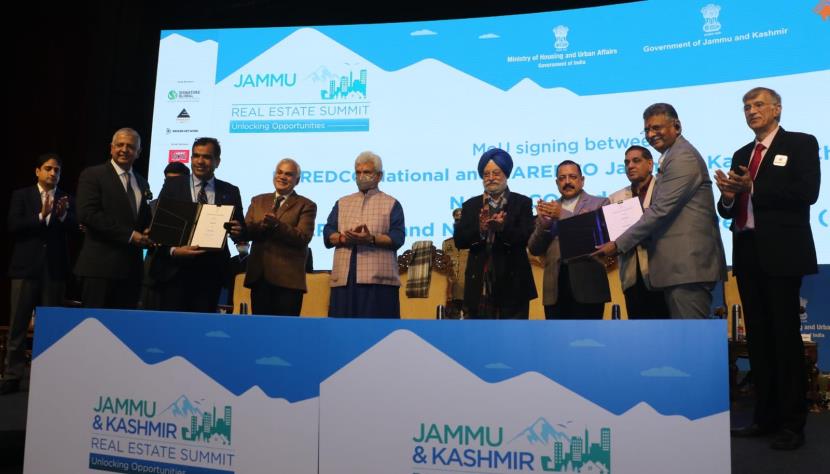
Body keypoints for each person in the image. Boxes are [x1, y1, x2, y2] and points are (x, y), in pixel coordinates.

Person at [716, 87, 819, 450]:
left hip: (783, 254)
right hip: (747, 254)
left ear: (777, 109)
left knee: (784, 340)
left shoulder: (801, 144)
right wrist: (728, 197)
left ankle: (792, 424)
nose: (751, 110)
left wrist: (754, 187)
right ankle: (765, 417)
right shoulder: (741, 154)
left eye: (758, 104)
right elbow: (728, 210)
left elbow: (807, 193)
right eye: (746, 106)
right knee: (758, 340)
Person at [595, 103, 726, 318]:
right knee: (683, 335)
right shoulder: (672, 157)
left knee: (691, 334)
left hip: (686, 267)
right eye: (647, 129)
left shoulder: (682, 157)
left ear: (677, 126)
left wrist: (617, 245)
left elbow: (660, 211)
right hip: (677, 269)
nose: (651, 134)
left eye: (657, 128)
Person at [2, 154, 75, 395]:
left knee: (50, 327)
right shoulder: (22, 195)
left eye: (57, 170)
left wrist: (62, 216)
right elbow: (14, 226)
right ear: (37, 171)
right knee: (18, 325)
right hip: (25, 269)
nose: (53, 173)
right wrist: (41, 216)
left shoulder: (66, 198)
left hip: (54, 270)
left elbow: (75, 228)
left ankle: (47, 375)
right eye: (48, 168)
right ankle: (12, 375)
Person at [151, 137, 244, 313]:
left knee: (202, 326)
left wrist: (238, 231)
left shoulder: (230, 191)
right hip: (175, 272)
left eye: (207, 157)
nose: (200, 161)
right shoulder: (172, 185)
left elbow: (240, 232)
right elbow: (161, 227)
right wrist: (174, 251)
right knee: (172, 325)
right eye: (196, 156)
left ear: (217, 161)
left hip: (211, 273)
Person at [74, 128, 153, 309]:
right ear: (111, 148)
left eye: (130, 146)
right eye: (120, 145)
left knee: (124, 326)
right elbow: (87, 214)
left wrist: (150, 230)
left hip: (131, 272)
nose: (124, 150)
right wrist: (131, 235)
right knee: (94, 325)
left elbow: (142, 219)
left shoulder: (142, 182)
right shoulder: (93, 175)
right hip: (99, 269)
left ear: (138, 152)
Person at [454, 148, 536, 319]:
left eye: (496, 173)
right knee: (479, 334)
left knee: (513, 334)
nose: (491, 178)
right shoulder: (471, 205)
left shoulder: (522, 202)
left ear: (506, 174)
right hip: (479, 283)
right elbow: (460, 241)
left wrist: (502, 228)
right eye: (486, 174)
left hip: (513, 284)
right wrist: (481, 229)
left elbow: (525, 237)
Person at [323, 151, 405, 318]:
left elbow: (397, 238)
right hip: (345, 281)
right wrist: (342, 238)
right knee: (342, 329)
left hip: (378, 283)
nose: (361, 176)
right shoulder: (342, 202)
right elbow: (328, 232)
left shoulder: (391, 203)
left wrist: (371, 239)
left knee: (376, 330)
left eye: (367, 172)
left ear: (379, 176)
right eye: (358, 172)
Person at [528, 160, 609, 319]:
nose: (567, 182)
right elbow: (534, 249)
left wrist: (562, 215)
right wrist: (544, 226)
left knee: (589, 335)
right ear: (556, 183)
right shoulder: (549, 208)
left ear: (582, 180)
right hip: (555, 288)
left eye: (572, 177)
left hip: (589, 285)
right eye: (562, 178)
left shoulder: (600, 203)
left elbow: (597, 240)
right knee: (555, 335)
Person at [244, 158, 317, 316]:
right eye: (279, 172)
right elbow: (247, 231)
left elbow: (303, 237)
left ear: (297, 180)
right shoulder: (258, 200)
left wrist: (277, 225)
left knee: (285, 329)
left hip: (288, 282)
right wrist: (247, 228)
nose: (282, 177)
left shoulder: (306, 205)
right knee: (260, 327)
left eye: (288, 174)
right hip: (259, 278)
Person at [608, 146, 670, 319]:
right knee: (638, 330)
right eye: (627, 162)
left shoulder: (665, 190)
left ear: (650, 164)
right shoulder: (615, 198)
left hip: (663, 272)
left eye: (636, 161)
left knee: (666, 328)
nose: (630, 166)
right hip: (631, 277)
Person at [140, 161, 190, 310]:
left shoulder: (195, 206)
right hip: (154, 271)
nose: (171, 185)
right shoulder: (152, 205)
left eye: (176, 181)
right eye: (168, 181)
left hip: (184, 272)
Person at [441, 208, 469, 317]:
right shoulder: (447, 243)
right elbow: (443, 267)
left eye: (461, 221)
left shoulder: (474, 242)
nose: (458, 224)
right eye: (456, 221)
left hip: (469, 290)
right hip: (451, 292)